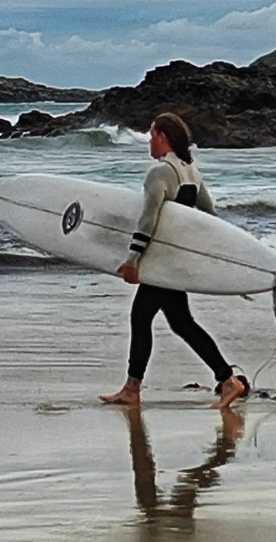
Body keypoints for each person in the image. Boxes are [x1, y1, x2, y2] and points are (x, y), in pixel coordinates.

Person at [99, 112, 248, 410]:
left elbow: (148, 220)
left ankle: (135, 388)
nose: (149, 142)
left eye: (152, 135)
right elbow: (209, 218)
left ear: (163, 136)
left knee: (143, 318)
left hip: (162, 264)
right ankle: (226, 379)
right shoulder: (191, 172)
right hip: (175, 263)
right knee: (180, 322)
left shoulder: (160, 173)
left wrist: (132, 260)